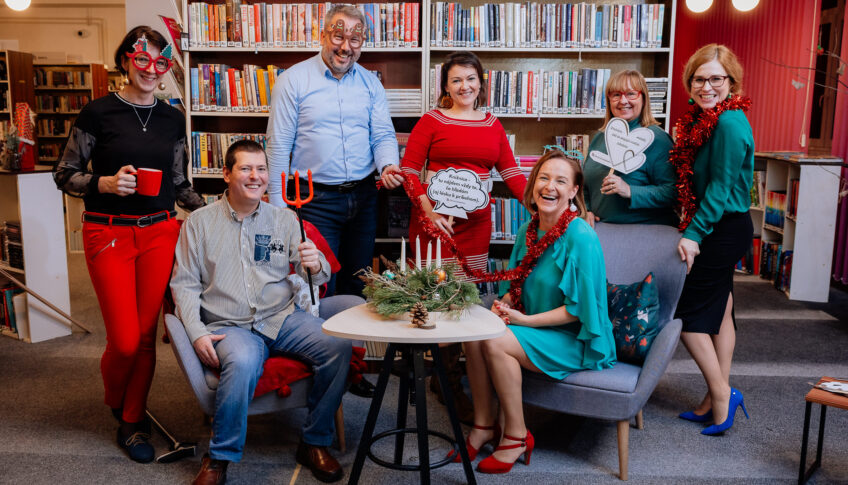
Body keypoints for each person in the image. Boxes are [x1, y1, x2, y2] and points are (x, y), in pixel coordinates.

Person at [53, 26, 204, 463]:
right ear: (125, 60)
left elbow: (178, 183)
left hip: (159, 233)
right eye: (143, 60)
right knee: (122, 342)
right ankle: (116, 399)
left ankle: (132, 422)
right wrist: (104, 182)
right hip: (108, 233)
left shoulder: (173, 118)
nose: (152, 70)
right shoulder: (97, 112)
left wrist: (217, 211)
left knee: (143, 338)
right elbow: (65, 173)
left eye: (160, 62)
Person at [170, 140, 360, 484]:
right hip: (229, 324)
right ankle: (219, 457)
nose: (255, 176)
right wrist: (196, 333)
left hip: (281, 317)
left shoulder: (285, 219)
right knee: (243, 361)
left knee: (337, 346)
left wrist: (316, 265)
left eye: (261, 169)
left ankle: (314, 442)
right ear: (226, 174)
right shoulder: (197, 223)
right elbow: (184, 285)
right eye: (245, 168)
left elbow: (314, 277)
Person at [454, 149, 616, 474]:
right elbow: (513, 286)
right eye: (544, 177)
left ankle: (516, 435)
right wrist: (506, 305)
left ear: (574, 191)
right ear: (533, 184)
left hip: (574, 337)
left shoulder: (581, 237)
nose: (549, 186)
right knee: (474, 334)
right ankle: (484, 425)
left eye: (560, 181)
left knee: (495, 340)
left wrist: (524, 320)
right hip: (532, 327)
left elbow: (579, 311)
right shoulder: (527, 230)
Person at [399, 51, 527, 424]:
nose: (464, 86)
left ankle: (447, 378)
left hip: (476, 227)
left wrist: (540, 206)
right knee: (437, 301)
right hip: (435, 224)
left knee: (463, 302)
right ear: (446, 86)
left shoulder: (492, 124)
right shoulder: (431, 120)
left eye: (470, 79)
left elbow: (511, 172)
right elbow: (409, 171)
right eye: (456, 80)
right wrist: (428, 211)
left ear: (480, 83)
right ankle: (449, 382)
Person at [265, 4, 404, 299]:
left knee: (359, 281)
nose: (345, 47)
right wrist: (277, 208)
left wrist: (388, 164)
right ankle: (322, 332)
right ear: (323, 35)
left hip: (364, 197)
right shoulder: (293, 80)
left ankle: (351, 331)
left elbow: (382, 134)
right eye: (338, 37)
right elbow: (278, 146)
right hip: (315, 200)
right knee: (319, 284)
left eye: (354, 40)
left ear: (362, 43)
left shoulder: (371, 83)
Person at [672, 44, 754, 436]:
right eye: (699, 79)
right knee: (721, 311)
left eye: (716, 79)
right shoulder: (705, 119)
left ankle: (722, 394)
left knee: (686, 315)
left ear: (731, 83)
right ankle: (714, 395)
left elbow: (721, 190)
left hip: (722, 227)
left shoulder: (729, 122)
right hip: (720, 225)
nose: (706, 86)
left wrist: (693, 234)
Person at [582, 69, 676, 226]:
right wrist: (586, 209)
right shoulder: (600, 137)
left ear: (643, 98)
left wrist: (630, 190)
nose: (623, 101)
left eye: (631, 94)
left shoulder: (658, 140)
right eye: (616, 95)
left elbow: (673, 192)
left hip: (645, 230)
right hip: (602, 229)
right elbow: (584, 185)